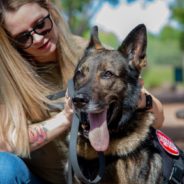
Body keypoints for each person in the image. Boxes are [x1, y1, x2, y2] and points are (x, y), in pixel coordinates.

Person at [0, 0, 164, 183]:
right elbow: (4, 143)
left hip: (99, 174)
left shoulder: (95, 55)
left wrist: (140, 100)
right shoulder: (8, 78)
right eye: (23, 37)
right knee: (3, 167)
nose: (38, 39)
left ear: (51, 12)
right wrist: (66, 118)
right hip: (41, 179)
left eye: (40, 24)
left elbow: (159, 116)